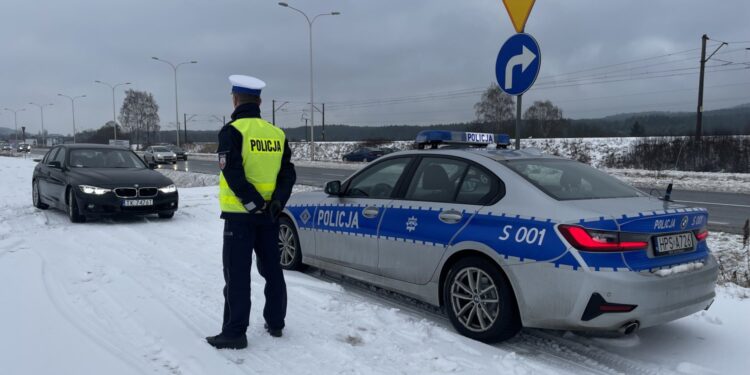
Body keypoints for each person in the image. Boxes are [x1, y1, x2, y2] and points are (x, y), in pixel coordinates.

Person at [206, 75, 296, 350]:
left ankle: (234, 332)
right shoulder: (276, 134)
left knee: (237, 274)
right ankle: (276, 323)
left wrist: (252, 203)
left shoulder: (232, 131)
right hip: (269, 216)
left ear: (235, 99)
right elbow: (288, 173)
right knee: (272, 271)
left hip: (241, 217)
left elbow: (232, 172)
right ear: (259, 102)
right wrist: (277, 202)